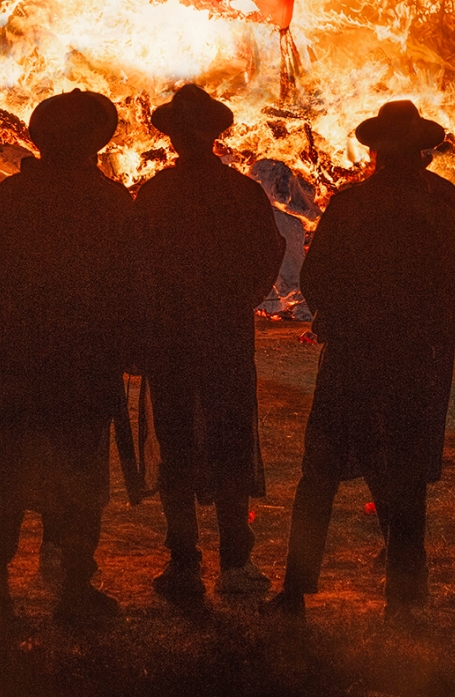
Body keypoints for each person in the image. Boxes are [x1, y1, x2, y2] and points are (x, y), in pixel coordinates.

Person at [267, 100, 455, 621]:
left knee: (320, 474)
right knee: (403, 478)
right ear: (422, 152)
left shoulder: (353, 204)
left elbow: (318, 277)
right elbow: (454, 275)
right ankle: (405, 597)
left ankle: (294, 590)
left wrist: (336, 317)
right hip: (415, 360)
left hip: (353, 358)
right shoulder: (443, 200)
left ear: (378, 150)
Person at [0, 89, 136, 622]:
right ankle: (72, 590)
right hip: (87, 363)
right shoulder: (110, 202)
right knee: (80, 475)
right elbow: (129, 286)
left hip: (23, 358)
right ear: (94, 142)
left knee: (9, 470)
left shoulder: (11, 199)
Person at [134, 84, 284, 603]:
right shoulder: (241, 193)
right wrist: (239, 298)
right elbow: (268, 253)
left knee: (178, 445)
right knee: (229, 442)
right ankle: (233, 561)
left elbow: (136, 267)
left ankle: (185, 560)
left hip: (172, 335)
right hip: (222, 334)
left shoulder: (155, 193)